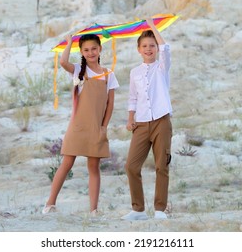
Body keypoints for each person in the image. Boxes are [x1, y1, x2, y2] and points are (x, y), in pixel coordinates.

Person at [43, 33, 119, 216]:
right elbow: (63, 62)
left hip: (96, 128)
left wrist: (104, 127)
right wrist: (70, 43)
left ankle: (94, 209)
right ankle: (50, 204)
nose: (91, 52)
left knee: (94, 167)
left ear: (100, 49)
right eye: (86, 50)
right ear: (81, 52)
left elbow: (110, 105)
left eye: (94, 48)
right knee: (66, 163)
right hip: (77, 127)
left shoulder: (109, 74)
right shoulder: (79, 71)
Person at [121, 18, 173, 220]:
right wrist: (130, 118)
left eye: (152, 45)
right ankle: (138, 209)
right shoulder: (134, 72)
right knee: (131, 166)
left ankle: (160, 209)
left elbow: (165, 48)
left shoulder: (162, 67)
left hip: (162, 120)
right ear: (138, 49)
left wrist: (152, 26)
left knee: (162, 165)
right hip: (141, 123)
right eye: (144, 46)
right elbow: (133, 97)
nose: (149, 49)